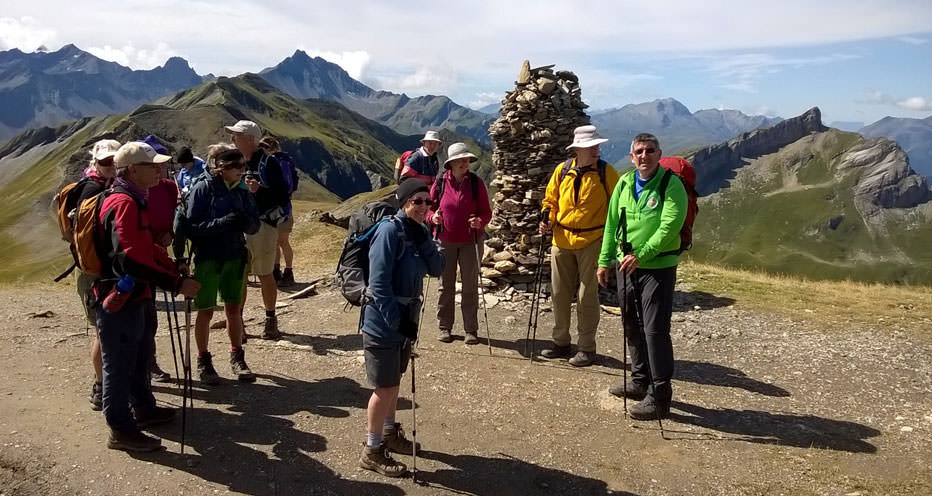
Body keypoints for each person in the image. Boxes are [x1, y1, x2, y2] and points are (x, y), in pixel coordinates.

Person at [96, 142, 200, 452]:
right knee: (119, 362)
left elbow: (146, 250)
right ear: (131, 170)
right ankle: (120, 428)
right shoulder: (125, 202)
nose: (159, 169)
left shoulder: (133, 198)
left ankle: (143, 407)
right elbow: (131, 259)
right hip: (121, 293)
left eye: (159, 164)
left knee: (139, 354)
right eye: (151, 165)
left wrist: (173, 268)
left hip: (134, 293)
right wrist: (175, 283)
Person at [597, 133, 687, 420]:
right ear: (632, 155)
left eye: (650, 151)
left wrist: (643, 255)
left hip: (657, 267)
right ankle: (639, 381)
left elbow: (670, 226)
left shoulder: (671, 185)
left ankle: (660, 396)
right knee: (630, 323)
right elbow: (612, 224)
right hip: (626, 265)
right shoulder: (624, 183)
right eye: (639, 151)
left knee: (655, 330)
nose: (644, 156)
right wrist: (603, 261)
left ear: (659, 153)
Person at [359, 179, 444, 477]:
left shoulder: (418, 231)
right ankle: (372, 450)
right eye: (416, 201)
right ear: (404, 201)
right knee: (386, 387)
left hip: (405, 317)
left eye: (427, 202)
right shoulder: (388, 232)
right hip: (383, 321)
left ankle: (389, 433)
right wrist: (397, 321)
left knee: (394, 379)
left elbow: (437, 269)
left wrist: (429, 240)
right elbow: (379, 283)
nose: (422, 207)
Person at [538, 125, 619, 367]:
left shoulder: (606, 172)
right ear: (578, 150)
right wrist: (547, 218)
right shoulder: (562, 171)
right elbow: (550, 200)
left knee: (586, 295)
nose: (596, 150)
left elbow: (617, 206)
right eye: (591, 147)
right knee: (559, 294)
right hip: (561, 240)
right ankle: (561, 342)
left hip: (593, 240)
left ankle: (586, 348)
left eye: (596, 146)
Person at [182, 148, 260, 385]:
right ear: (221, 167)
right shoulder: (203, 188)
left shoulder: (242, 191)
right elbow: (192, 226)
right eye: (236, 167)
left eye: (243, 166)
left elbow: (255, 225)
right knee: (205, 311)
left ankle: (238, 357)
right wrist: (224, 222)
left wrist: (245, 221)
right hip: (208, 258)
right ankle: (203, 360)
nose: (241, 171)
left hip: (235, 257)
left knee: (233, 309)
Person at [225, 120, 290, 339]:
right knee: (240, 275)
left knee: (264, 274)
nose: (232, 139)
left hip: (263, 225)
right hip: (239, 226)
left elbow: (282, 195)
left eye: (237, 136)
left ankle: (270, 319)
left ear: (250, 139)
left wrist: (260, 190)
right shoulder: (235, 162)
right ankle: (238, 322)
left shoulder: (269, 163)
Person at [428, 142, 492, 344]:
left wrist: (479, 221)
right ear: (452, 163)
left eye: (467, 160)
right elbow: (429, 209)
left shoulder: (476, 183)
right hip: (445, 240)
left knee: (470, 286)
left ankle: (470, 330)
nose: (465, 163)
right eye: (461, 160)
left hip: (471, 241)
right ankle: (444, 327)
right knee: (445, 286)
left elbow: (486, 212)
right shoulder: (440, 184)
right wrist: (432, 218)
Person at [76, 139, 120, 411]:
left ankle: (108, 384)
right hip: (97, 273)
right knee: (103, 332)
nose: (111, 166)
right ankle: (100, 386)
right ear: (96, 163)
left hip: (100, 271)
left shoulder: (100, 187)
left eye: (115, 161)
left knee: (108, 330)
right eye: (105, 162)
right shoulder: (94, 190)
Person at [258, 137, 296, 287]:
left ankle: (288, 271)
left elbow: (286, 186)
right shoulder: (267, 162)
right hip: (272, 210)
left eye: (265, 147)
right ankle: (276, 270)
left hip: (282, 209)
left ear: (272, 148)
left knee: (282, 241)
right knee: (274, 242)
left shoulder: (281, 162)